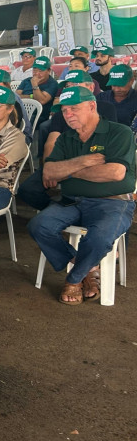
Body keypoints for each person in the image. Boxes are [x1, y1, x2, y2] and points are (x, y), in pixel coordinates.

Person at [28, 86, 136, 305]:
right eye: (64, 111)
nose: (68, 115)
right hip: (72, 200)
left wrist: (69, 172)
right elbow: (49, 172)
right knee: (39, 226)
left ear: (92, 106)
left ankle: (74, 278)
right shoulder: (66, 139)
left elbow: (115, 172)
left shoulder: (119, 132)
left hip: (113, 202)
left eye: (74, 109)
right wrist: (84, 161)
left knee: (100, 237)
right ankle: (86, 268)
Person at [17, 70, 118, 211]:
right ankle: (60, 210)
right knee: (27, 190)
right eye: (67, 86)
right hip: (63, 163)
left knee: (96, 192)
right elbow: (51, 142)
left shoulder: (106, 108)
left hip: (94, 162)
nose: (70, 89)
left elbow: (108, 140)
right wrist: (50, 167)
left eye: (75, 84)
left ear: (90, 87)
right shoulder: (61, 113)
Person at [17, 56, 58, 125]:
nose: (37, 74)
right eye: (35, 70)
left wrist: (35, 85)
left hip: (39, 115)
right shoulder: (26, 81)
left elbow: (41, 101)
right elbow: (16, 97)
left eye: (40, 71)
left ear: (48, 71)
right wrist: (32, 97)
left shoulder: (52, 83)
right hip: (21, 112)